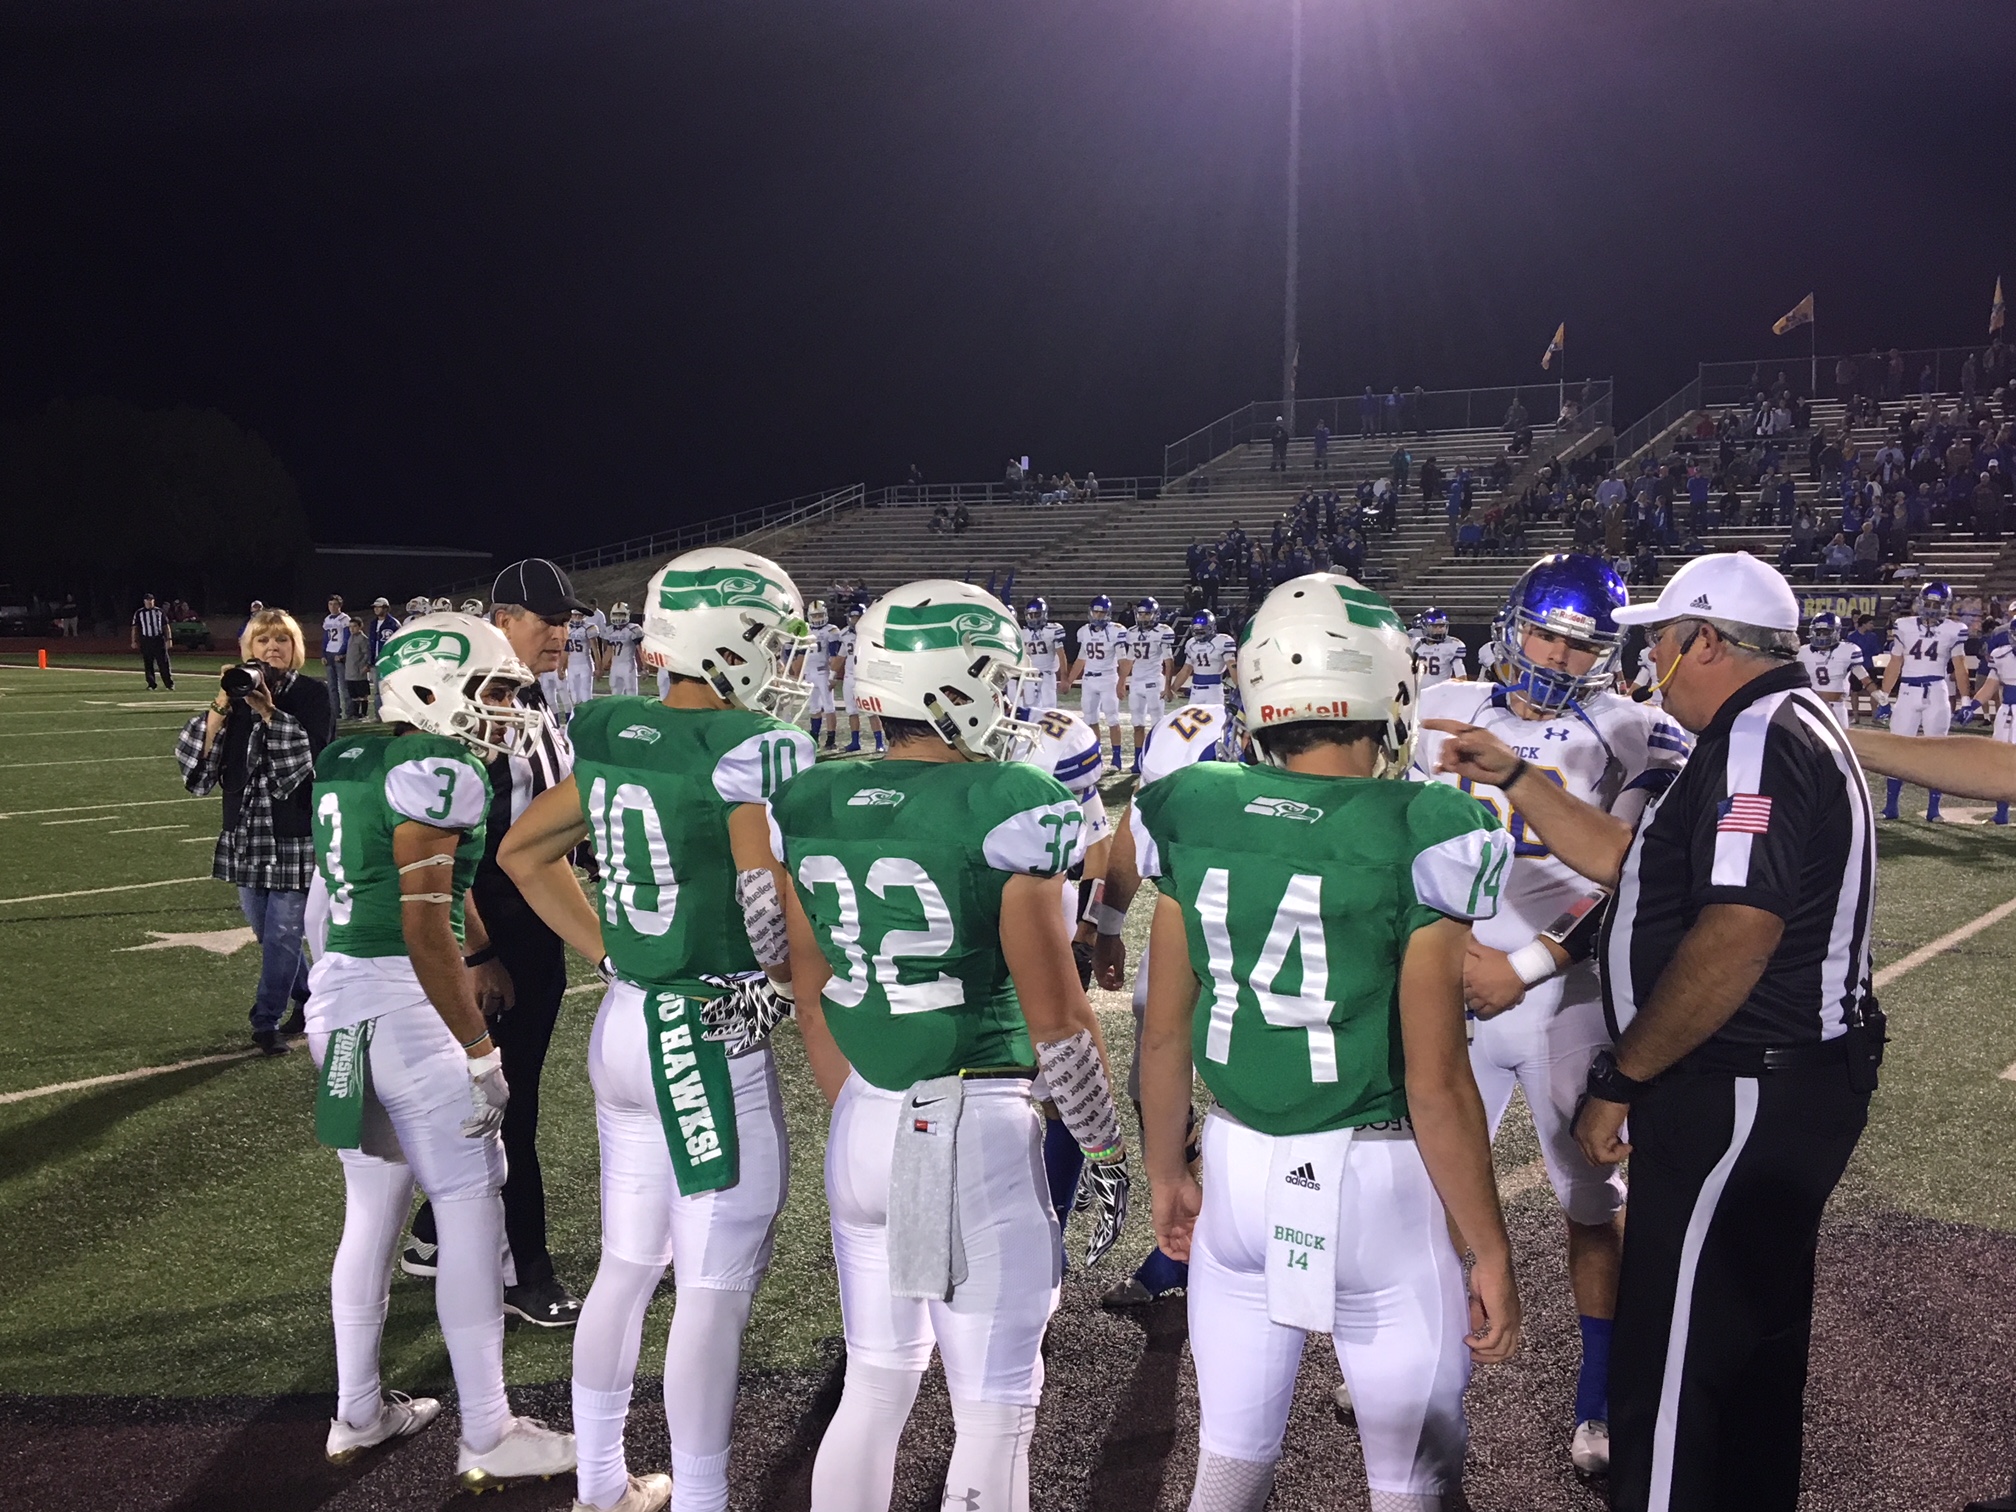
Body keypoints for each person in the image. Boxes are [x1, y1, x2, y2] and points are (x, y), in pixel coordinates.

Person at [1429, 551, 1881, 1512]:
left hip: (1729, 1070)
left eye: (1662, 639)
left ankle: (1623, 1435)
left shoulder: (1733, 737)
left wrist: (1619, 1070)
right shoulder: (1763, 727)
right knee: (1744, 1335)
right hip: (1759, 1071)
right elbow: (1638, 863)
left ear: (1704, 640)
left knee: (1668, 1347)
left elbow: (1732, 927)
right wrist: (1512, 776)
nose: (1649, 658)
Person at [1137, 572, 1519, 1512]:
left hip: (1235, 1172)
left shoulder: (1194, 802)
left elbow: (1165, 1030)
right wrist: (1488, 1247)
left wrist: (1166, 1171)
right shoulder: (1426, 825)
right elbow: (1437, 1081)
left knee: (1229, 1471)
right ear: (1389, 690)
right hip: (1374, 1185)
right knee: (1413, 1487)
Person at [773, 580, 1132, 1512]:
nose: (1007, 696)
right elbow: (1060, 1019)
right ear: (953, 682)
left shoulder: (810, 794)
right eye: (995, 677)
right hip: (969, 1124)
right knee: (995, 1408)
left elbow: (805, 981)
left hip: (864, 1117)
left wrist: (867, 1102)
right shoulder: (1005, 799)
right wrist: (1103, 1145)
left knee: (876, 1381)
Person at [498, 548, 818, 1512]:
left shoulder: (614, 728)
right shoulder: (750, 744)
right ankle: (705, 1499)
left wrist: (611, 952)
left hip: (628, 1021)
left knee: (627, 1268)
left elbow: (522, 851)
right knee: (712, 1290)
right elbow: (765, 904)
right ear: (730, 640)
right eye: (769, 640)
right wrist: (784, 984)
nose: (782, 662)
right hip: (706, 1037)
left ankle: (601, 1485)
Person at [1411, 555, 1691, 1475]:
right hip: (1453, 986)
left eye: (1580, 646)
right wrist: (1443, 954)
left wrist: (1526, 965)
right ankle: (1432, 1367)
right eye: (1543, 635)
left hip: (1563, 995)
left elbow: (1638, 875)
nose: (1557, 659)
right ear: (1512, 625)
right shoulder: (1443, 704)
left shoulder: (1633, 728)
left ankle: (1599, 1400)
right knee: (1435, 1190)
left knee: (1588, 1203)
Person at [301, 612, 577, 1491]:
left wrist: (479, 942)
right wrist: (479, 1049)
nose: (505, 707)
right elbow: (425, 927)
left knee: (371, 1211)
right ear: (431, 687)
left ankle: (358, 1411)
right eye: (491, 689)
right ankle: (490, 1431)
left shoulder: (350, 756)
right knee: (469, 1207)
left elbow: (406, 887)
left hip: (341, 1005)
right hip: (409, 1012)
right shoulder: (440, 768)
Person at [399, 559, 585, 1329]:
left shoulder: (532, 699)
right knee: (510, 1103)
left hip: (536, 922)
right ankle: (523, 1270)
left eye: (567, 620)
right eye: (548, 619)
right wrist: (477, 952)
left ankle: (433, 1233)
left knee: (513, 1092)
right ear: (503, 620)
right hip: (496, 927)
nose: (562, 633)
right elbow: (451, 850)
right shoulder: (471, 701)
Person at [175, 609, 336, 1054]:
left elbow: (307, 761)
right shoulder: (236, 694)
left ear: (294, 648)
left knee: (283, 933)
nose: (272, 648)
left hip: (294, 830)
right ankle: (308, 995)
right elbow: (199, 761)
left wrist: (268, 711)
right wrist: (222, 701)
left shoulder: (312, 694)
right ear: (248, 648)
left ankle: (265, 1021)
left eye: (281, 640)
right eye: (262, 640)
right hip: (246, 832)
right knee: (267, 933)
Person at [1877, 580, 1974, 821]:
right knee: (1898, 748)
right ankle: (1891, 806)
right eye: (1928, 603)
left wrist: (1966, 699)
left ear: (1946, 606)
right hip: (1908, 690)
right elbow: (1895, 662)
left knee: (1937, 750)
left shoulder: (1954, 629)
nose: (1931, 608)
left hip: (1937, 690)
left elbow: (1960, 666)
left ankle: (1934, 809)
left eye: (1936, 604)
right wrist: (1883, 696)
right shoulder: (1904, 626)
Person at [1065, 594, 1127, 771]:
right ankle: (1096, 755)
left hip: (1108, 678)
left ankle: (1116, 757)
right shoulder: (1084, 631)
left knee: (1112, 718)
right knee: (1090, 718)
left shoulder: (1116, 630)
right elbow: (1081, 659)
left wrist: (1121, 682)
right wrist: (1069, 680)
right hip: (1089, 679)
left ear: (1108, 614)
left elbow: (1123, 660)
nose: (1098, 616)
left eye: (1102, 613)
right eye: (1096, 612)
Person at [1118, 597, 1173, 774]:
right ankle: (1138, 760)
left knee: (1157, 724)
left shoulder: (1163, 632)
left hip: (1154, 681)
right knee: (1137, 723)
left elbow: (1169, 661)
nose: (1143, 617)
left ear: (1155, 615)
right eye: (1140, 614)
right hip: (1136, 682)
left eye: (1147, 614)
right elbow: (1129, 659)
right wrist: (1121, 681)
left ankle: (1157, 760)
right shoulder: (1132, 632)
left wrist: (1168, 686)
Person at [1796, 612, 1874, 728]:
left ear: (1836, 632)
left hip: (1836, 707)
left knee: (1840, 739)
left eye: (1826, 632)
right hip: (1812, 705)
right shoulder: (1803, 652)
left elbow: (1860, 673)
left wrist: (1875, 691)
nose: (1822, 636)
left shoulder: (1847, 650)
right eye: (1819, 632)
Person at [832, 602, 882, 754]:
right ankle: (855, 742)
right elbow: (841, 656)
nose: (856, 620)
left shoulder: (872, 632)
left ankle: (879, 742)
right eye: (853, 617)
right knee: (851, 711)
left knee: (871, 711)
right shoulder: (844, 634)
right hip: (849, 677)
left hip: (866, 676)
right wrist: (832, 676)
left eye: (859, 617)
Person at [1019, 597, 1065, 716]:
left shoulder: (1053, 630)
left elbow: (1061, 654)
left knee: (1049, 710)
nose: (1034, 618)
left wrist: (1064, 676)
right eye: (1031, 615)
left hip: (1047, 674)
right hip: (1030, 676)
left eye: (1037, 614)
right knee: (1030, 709)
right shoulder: (1023, 633)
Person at [804, 601, 840, 746]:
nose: (818, 618)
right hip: (809, 672)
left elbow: (834, 655)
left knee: (829, 706)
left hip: (823, 671)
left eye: (820, 615)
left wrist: (832, 675)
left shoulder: (831, 630)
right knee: (814, 707)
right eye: (815, 615)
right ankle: (814, 736)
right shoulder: (805, 630)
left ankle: (831, 738)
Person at [1410, 608, 1468, 688]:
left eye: (1442, 626)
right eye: (1435, 626)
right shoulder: (1415, 644)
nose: (1439, 630)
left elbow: (1461, 677)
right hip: (1418, 692)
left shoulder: (1451, 645)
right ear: (1425, 627)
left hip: (1440, 692)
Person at [598, 602, 644, 698]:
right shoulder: (610, 630)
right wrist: (601, 668)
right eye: (616, 614)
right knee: (615, 693)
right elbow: (609, 651)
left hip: (628, 665)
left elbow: (640, 650)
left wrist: (645, 667)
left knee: (631, 693)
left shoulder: (633, 629)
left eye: (621, 614)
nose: (618, 617)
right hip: (615, 666)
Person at [366, 598, 402, 718]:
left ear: (386, 608)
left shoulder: (393, 624)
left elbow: (398, 643)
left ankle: (392, 715)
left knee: (390, 689)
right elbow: (371, 644)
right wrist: (370, 660)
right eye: (375, 607)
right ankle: (379, 716)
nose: (376, 609)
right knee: (377, 691)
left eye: (379, 607)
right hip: (376, 661)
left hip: (388, 661)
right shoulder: (373, 623)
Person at [320, 596, 352, 727]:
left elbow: (347, 638)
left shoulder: (344, 619)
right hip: (329, 653)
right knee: (332, 686)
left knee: (343, 686)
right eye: (330, 604)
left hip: (339, 654)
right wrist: (323, 654)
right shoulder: (327, 619)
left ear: (340, 606)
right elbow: (325, 638)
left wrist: (341, 653)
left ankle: (349, 713)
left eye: (335, 604)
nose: (332, 607)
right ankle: (335, 713)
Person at [133, 592, 174, 689]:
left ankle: (169, 684)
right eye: (147, 600)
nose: (149, 602)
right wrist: (134, 640)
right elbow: (135, 627)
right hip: (146, 640)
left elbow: (166, 626)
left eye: (151, 600)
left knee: (163, 662)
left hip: (158, 639)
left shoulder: (159, 612)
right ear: (144, 601)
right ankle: (151, 684)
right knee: (148, 663)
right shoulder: (139, 613)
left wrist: (169, 639)